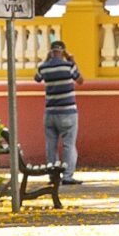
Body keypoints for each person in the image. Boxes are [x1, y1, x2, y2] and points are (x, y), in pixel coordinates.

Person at [35, 36, 83, 181]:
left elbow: (37, 78)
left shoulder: (44, 67)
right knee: (68, 145)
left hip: (50, 113)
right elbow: (80, 80)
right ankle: (67, 176)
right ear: (63, 51)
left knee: (51, 146)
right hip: (68, 112)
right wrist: (72, 61)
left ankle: (52, 174)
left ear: (51, 52)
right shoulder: (68, 66)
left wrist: (45, 60)